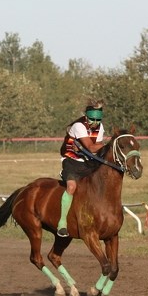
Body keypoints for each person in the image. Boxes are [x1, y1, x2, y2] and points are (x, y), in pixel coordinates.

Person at [57, 99, 106, 237]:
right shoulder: (79, 126)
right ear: (86, 117)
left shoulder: (100, 127)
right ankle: (62, 223)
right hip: (71, 161)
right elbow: (91, 147)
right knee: (72, 187)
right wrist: (110, 143)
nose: (95, 123)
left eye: (98, 120)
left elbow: (97, 150)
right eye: (92, 119)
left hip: (88, 161)